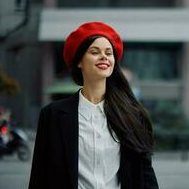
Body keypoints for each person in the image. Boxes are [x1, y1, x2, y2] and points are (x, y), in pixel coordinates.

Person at [28, 22, 159, 189]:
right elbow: (40, 176)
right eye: (94, 52)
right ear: (79, 62)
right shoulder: (52, 115)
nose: (104, 57)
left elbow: (145, 174)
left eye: (108, 53)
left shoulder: (133, 115)